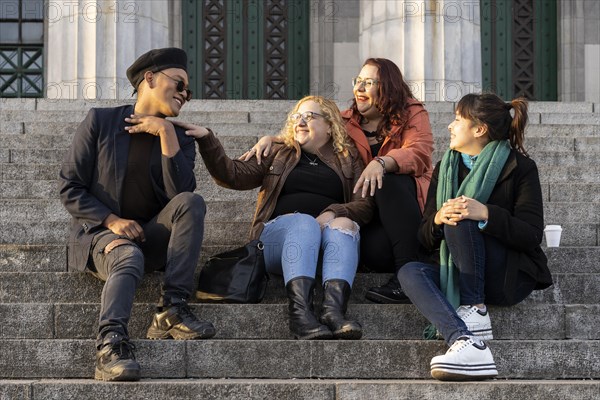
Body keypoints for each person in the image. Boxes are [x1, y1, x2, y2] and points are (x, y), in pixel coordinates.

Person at [59, 48, 216, 382]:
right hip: (100, 236)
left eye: (188, 91)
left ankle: (172, 308)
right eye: (179, 83)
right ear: (150, 78)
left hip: (152, 237)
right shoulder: (101, 121)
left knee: (193, 201)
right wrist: (111, 221)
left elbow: (181, 197)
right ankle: (110, 345)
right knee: (127, 256)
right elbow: (70, 187)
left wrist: (166, 134)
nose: (185, 94)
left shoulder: (180, 140)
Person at [176, 96, 373, 340]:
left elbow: (364, 205)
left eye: (309, 116)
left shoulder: (348, 159)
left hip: (326, 248)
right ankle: (300, 316)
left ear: (330, 125)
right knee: (304, 222)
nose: (300, 121)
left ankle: (333, 313)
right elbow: (232, 175)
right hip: (276, 244)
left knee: (345, 223)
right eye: (296, 116)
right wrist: (208, 139)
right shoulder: (279, 153)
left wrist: (333, 212)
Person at [241, 58, 434, 304]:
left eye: (368, 82)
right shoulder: (345, 121)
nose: (359, 88)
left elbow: (419, 152)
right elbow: (310, 135)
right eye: (358, 81)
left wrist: (381, 162)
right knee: (371, 251)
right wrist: (273, 140)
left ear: (388, 87)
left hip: (402, 208)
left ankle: (409, 275)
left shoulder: (412, 114)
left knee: (389, 180)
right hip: (366, 213)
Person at [397, 93, 553, 381]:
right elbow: (423, 237)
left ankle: (475, 307)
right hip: (456, 268)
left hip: (505, 272)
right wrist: (436, 220)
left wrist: (486, 214)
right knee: (410, 271)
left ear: (479, 129)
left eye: (458, 120)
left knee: (463, 213)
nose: (450, 126)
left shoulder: (519, 167)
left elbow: (531, 234)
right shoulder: (446, 167)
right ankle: (464, 340)